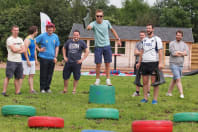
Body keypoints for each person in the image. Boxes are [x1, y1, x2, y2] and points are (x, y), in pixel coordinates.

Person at [87, 9, 121, 86]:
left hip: (107, 46)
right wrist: (88, 27)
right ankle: (97, 80)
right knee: (98, 64)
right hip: (98, 47)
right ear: (95, 16)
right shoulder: (93, 23)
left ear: (103, 16)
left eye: (101, 16)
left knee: (107, 64)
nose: (99, 17)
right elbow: (89, 27)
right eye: (97, 16)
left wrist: (118, 39)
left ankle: (108, 80)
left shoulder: (107, 22)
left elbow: (113, 30)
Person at [136, 24, 163, 104]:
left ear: (153, 29)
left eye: (149, 28)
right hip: (144, 63)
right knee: (144, 81)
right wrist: (139, 62)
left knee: (154, 82)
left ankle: (155, 99)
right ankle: (145, 98)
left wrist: (161, 63)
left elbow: (160, 52)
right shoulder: (144, 40)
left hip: (154, 63)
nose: (148, 29)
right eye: (147, 28)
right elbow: (141, 52)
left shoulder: (157, 39)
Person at [62, 30, 89, 94]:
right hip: (68, 62)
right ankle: (65, 89)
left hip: (77, 63)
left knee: (76, 77)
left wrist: (82, 59)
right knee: (65, 76)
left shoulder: (82, 42)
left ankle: (74, 90)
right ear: (73, 35)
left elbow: (87, 51)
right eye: (74, 35)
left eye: (77, 35)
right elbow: (64, 48)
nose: (75, 36)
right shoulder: (69, 42)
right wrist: (64, 57)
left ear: (79, 36)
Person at [36, 22, 60, 93]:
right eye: (49, 28)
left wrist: (55, 56)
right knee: (43, 73)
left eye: (51, 28)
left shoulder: (55, 36)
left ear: (53, 29)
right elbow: (34, 42)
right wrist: (39, 49)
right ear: (46, 29)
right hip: (43, 57)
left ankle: (47, 88)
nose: (50, 29)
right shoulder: (42, 36)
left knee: (50, 74)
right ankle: (42, 88)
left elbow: (57, 46)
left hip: (52, 58)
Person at [2, 25, 25, 96]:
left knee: (18, 77)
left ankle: (17, 91)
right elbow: (13, 50)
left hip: (19, 61)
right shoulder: (9, 39)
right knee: (8, 77)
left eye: (17, 30)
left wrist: (17, 50)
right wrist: (19, 49)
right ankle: (4, 91)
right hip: (11, 61)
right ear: (12, 31)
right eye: (15, 30)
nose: (16, 32)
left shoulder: (20, 39)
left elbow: (24, 49)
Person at [166, 30, 188, 98]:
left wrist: (178, 52)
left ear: (182, 36)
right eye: (177, 35)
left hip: (180, 65)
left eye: (180, 35)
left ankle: (169, 92)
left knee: (175, 79)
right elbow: (173, 53)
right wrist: (181, 53)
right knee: (178, 79)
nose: (178, 36)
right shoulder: (172, 43)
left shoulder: (184, 44)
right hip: (173, 64)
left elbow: (186, 53)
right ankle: (181, 94)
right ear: (176, 35)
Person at [132, 31, 150, 97]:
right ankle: (137, 92)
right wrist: (142, 52)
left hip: (146, 62)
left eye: (142, 35)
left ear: (145, 36)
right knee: (138, 78)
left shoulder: (148, 44)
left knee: (146, 78)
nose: (141, 36)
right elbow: (135, 52)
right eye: (140, 35)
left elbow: (148, 53)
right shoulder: (137, 44)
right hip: (137, 62)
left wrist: (139, 52)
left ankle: (148, 93)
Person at [21, 26, 38, 94]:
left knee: (31, 75)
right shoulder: (27, 40)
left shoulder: (34, 40)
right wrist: (27, 60)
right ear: (34, 31)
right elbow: (25, 50)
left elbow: (34, 50)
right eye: (37, 30)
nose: (37, 32)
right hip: (26, 60)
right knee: (23, 75)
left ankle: (31, 90)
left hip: (32, 60)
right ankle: (18, 90)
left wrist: (36, 59)